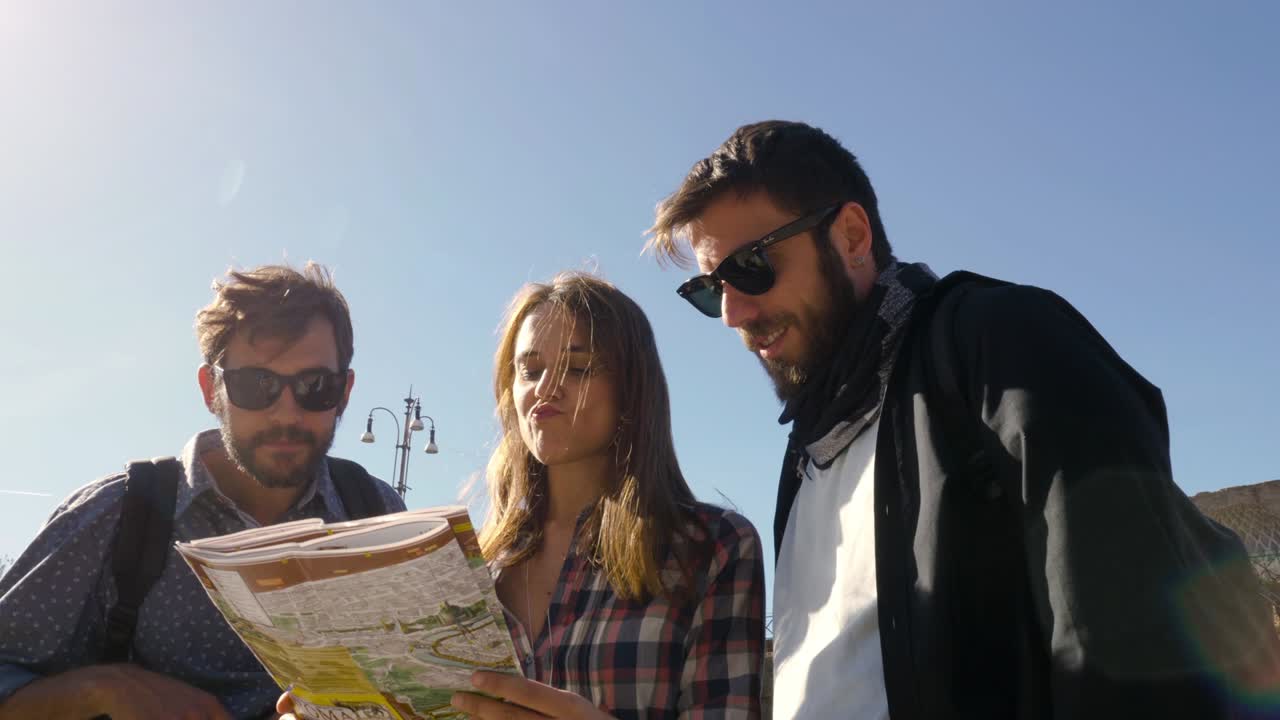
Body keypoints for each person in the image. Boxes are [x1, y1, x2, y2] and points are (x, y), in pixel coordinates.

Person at [644, 120, 1280, 719]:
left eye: (752, 266)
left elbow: (1138, 638)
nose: (733, 312)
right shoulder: (806, 457)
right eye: (709, 290)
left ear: (852, 236)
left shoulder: (999, 344)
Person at [283, 272, 766, 720]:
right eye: (530, 370)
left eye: (578, 368)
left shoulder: (712, 547)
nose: (546, 390)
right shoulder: (467, 565)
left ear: (632, 392)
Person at [0, 263, 405, 720]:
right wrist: (100, 689)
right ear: (211, 388)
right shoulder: (116, 517)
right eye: (256, 384)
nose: (286, 414)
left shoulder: (376, 515)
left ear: (345, 393)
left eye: (315, 386)